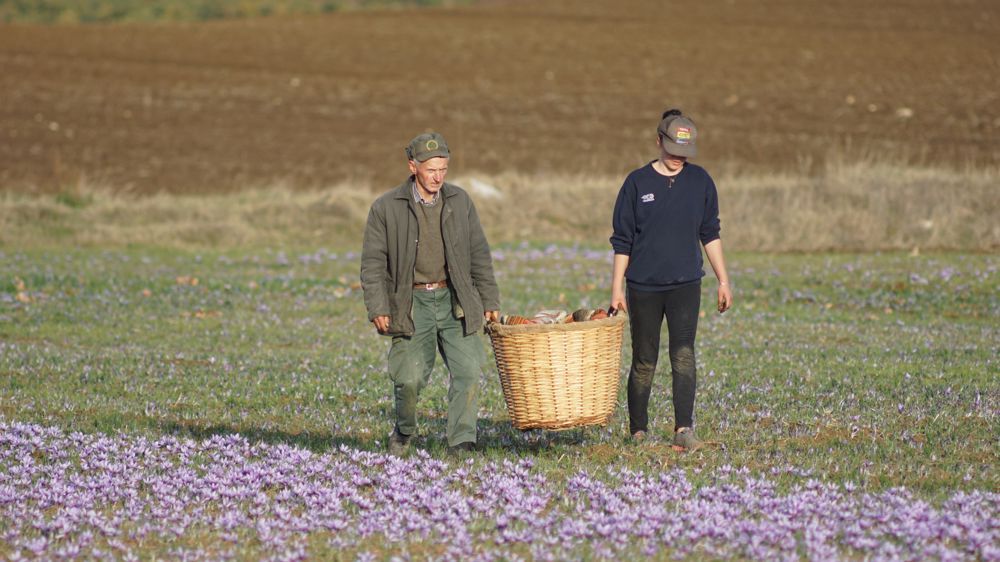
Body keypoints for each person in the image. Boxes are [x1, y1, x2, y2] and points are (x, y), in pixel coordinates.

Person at [361, 132, 500, 455]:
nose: (438, 176)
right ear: (413, 167)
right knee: (408, 379)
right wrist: (378, 306)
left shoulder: (460, 201)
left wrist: (489, 300)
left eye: (444, 169)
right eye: (431, 170)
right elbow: (372, 263)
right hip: (411, 303)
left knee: (468, 371)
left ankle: (461, 441)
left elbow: (479, 254)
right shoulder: (386, 208)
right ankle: (405, 431)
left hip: (456, 300)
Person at [609, 109, 733, 451]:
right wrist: (617, 289)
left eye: (685, 153)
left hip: (685, 285)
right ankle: (638, 432)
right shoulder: (636, 183)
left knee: (683, 356)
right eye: (672, 151)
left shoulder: (701, 182)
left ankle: (683, 431)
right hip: (643, 287)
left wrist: (723, 280)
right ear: (658, 142)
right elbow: (622, 241)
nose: (678, 158)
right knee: (644, 360)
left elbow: (710, 233)